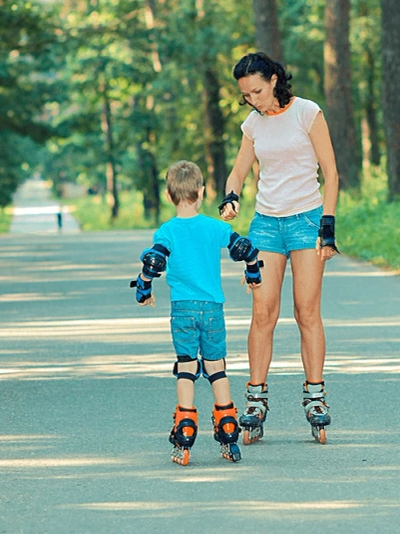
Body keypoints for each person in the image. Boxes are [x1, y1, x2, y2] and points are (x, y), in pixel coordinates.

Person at [219, 52, 340, 445]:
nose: (252, 99)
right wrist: (231, 196)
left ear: (273, 79)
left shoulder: (307, 112)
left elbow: (332, 172)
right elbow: (238, 169)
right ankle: (255, 401)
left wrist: (328, 226)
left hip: (307, 220)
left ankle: (316, 397)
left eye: (256, 90)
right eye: (245, 94)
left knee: (306, 311)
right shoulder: (252, 124)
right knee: (262, 313)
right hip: (266, 225)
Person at [130, 160, 264, 466]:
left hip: (182, 310)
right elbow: (245, 248)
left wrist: (144, 289)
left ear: (168, 195)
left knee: (187, 366)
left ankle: (186, 427)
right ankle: (229, 428)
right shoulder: (215, 227)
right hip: (213, 309)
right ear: (202, 192)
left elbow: (154, 261)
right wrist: (253, 274)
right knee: (216, 366)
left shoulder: (167, 231)